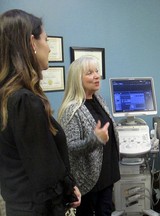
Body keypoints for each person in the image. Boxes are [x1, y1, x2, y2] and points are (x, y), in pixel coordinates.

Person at [0, 9, 81, 216]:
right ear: (32, 43)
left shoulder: (8, 97)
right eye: (46, 39)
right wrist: (68, 193)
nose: (50, 48)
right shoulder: (24, 102)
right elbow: (44, 175)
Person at [58, 55, 120, 216]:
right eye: (90, 72)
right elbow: (69, 147)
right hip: (88, 181)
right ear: (77, 79)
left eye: (97, 71)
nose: (96, 76)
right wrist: (95, 140)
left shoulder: (99, 99)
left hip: (106, 175)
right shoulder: (71, 110)